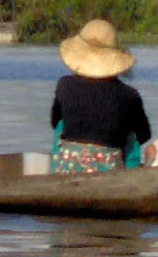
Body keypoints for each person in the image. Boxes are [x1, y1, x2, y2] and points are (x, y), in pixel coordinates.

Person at [49, 19, 151, 173]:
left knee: (61, 126)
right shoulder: (129, 95)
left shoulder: (64, 85)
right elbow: (144, 135)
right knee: (130, 134)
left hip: (66, 169)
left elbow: (54, 121)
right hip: (109, 171)